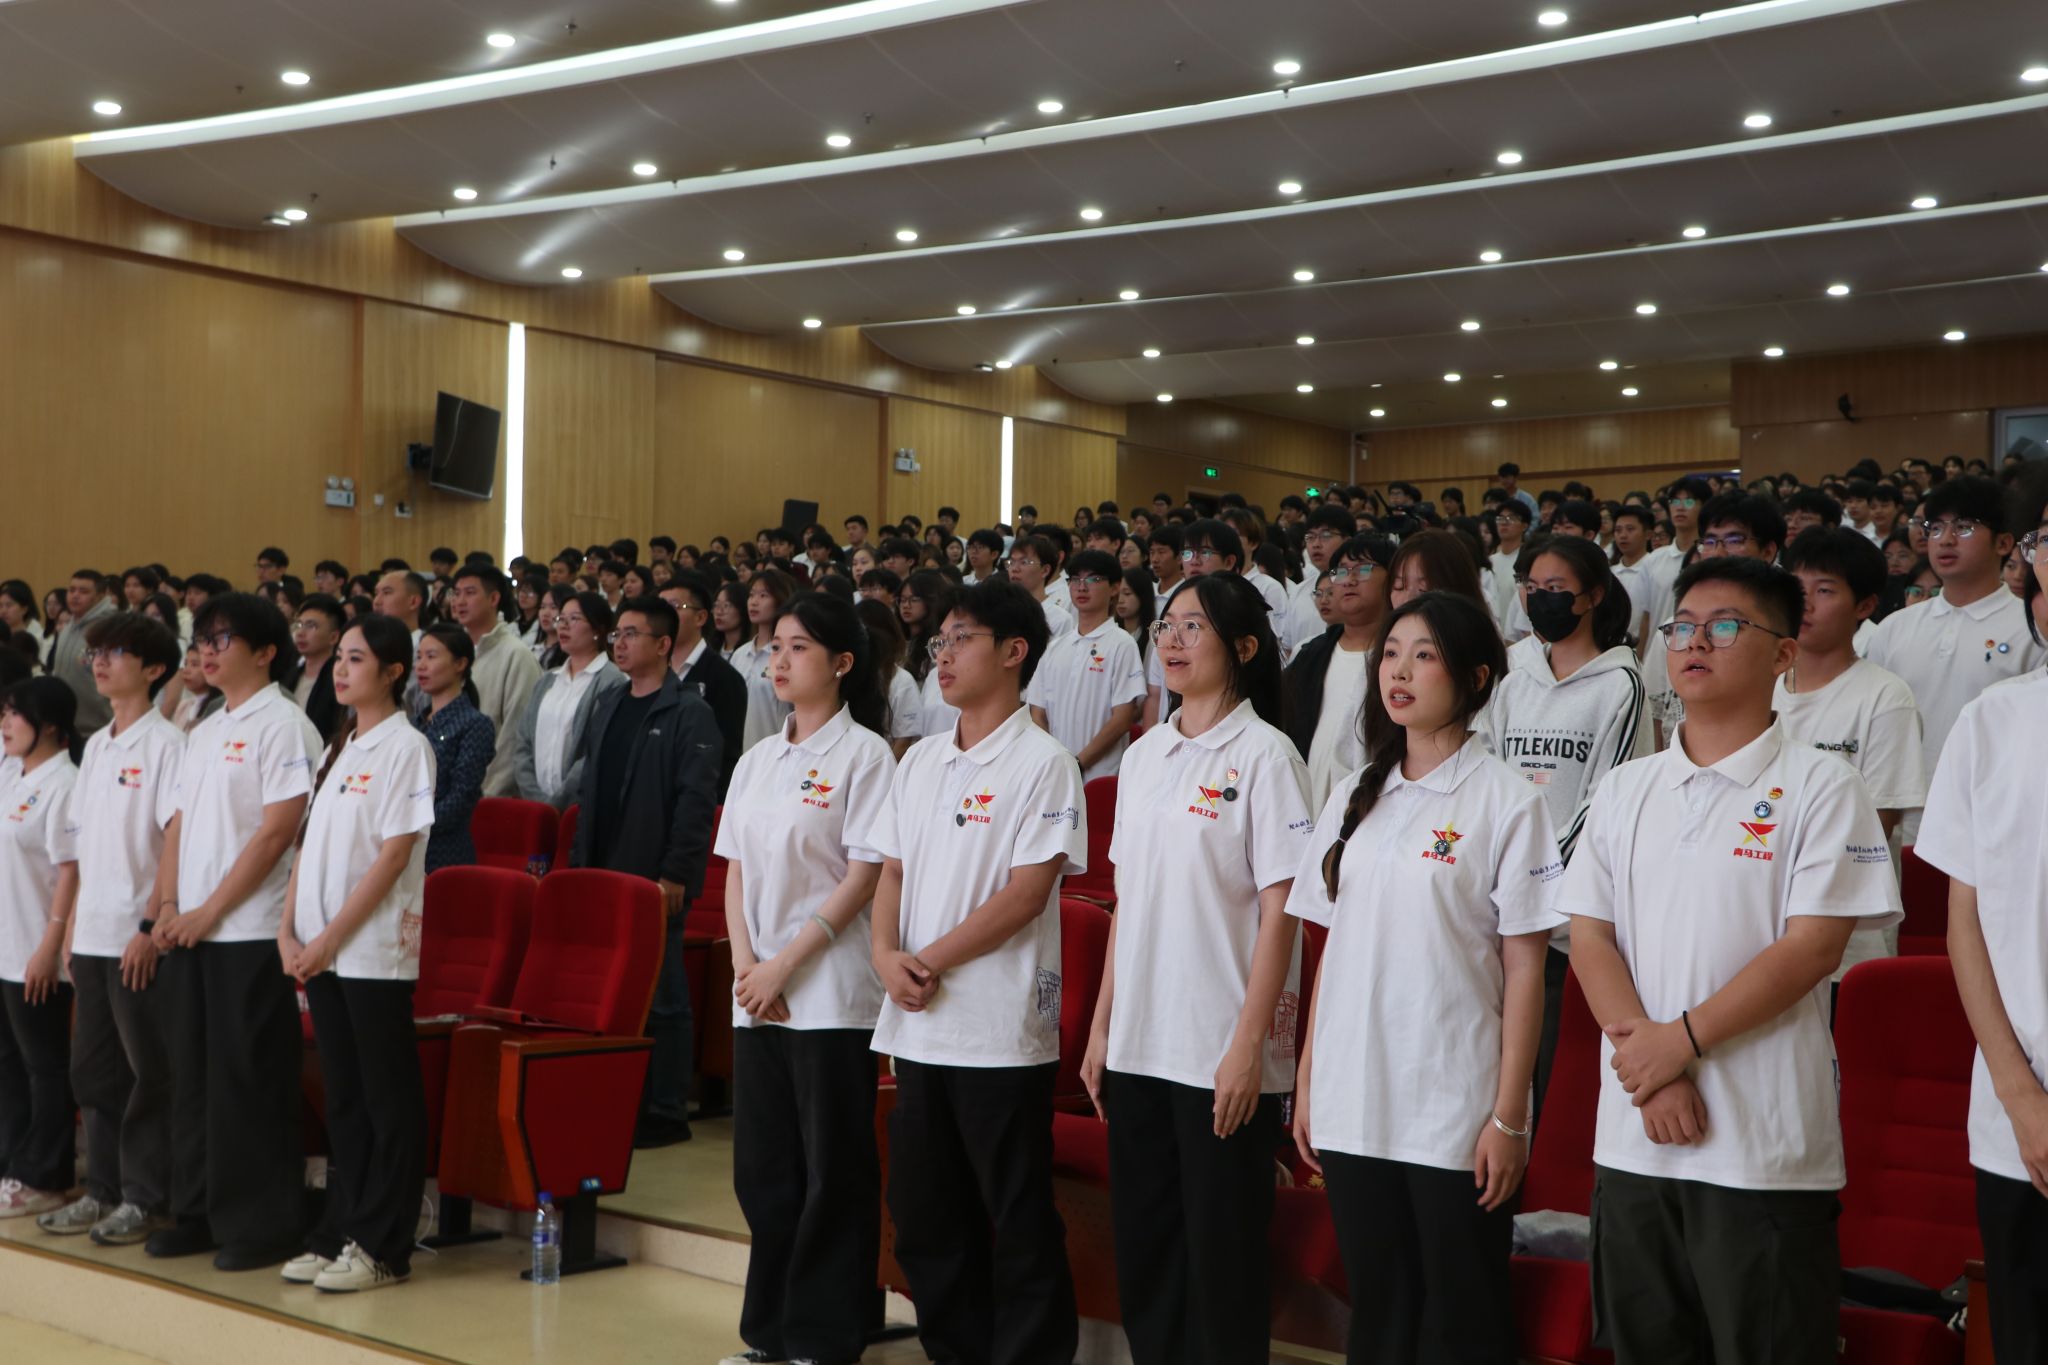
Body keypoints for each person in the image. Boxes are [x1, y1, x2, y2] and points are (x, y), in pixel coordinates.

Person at [1563, 557, 1902, 1363]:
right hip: (1635, 1138)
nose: (1694, 642)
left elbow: (1813, 946)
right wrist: (1653, 1067)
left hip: (1762, 1146)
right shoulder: (1624, 788)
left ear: (1783, 653)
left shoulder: (1823, 784)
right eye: (1681, 626)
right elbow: (1589, 935)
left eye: (1724, 626)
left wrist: (1678, 1042)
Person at [1289, 592, 1563, 1364]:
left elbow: (1525, 969)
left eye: (1424, 655)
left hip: (1453, 1107)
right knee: (1378, 1312)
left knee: (1461, 1319)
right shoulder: (1354, 793)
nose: (1399, 672)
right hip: (1356, 1099)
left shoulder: (1508, 801)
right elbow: (1332, 947)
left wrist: (1509, 1116)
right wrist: (1309, 1079)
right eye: (1391, 654)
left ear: (1475, 677)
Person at [1080, 574, 1311, 1363]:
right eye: (1166, 625)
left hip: (1219, 1049)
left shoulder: (1267, 755)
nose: (1172, 640)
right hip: (1140, 1042)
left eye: (1193, 627)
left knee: (1223, 1261)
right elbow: (1127, 900)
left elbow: (1283, 911)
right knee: (1148, 1252)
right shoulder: (1146, 754)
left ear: (1242, 647)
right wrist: (1102, 1027)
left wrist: (1250, 1045)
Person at [867, 578, 1085, 1365]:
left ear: (1014, 651)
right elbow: (891, 870)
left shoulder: (1044, 761)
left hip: (999, 1030)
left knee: (1016, 1217)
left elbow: (1026, 894)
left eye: (962, 639)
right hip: (918, 1025)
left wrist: (926, 958)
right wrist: (883, 954)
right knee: (924, 1213)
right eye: (939, 642)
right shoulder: (922, 758)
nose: (944, 655)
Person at [716, 594, 895, 1365]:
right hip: (757, 994)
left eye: (798, 647)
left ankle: (823, 1340)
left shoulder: (866, 756)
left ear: (842, 663)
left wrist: (783, 964)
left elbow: (863, 875)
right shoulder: (758, 758)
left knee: (833, 1173)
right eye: (776, 646)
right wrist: (744, 965)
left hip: (829, 995)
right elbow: (735, 870)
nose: (779, 660)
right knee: (764, 1172)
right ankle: (771, 1333)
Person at [149, 592, 324, 1270]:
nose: (207, 650)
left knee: (247, 1080)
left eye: (223, 638)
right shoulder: (203, 728)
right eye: (203, 639)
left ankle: (263, 1221)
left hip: (247, 932)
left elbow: (277, 832)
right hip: (191, 930)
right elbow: (178, 825)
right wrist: (169, 905)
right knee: (191, 1078)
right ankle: (197, 1211)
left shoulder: (284, 725)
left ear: (267, 651)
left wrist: (210, 910)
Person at [277, 615, 434, 1293]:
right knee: (343, 1099)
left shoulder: (407, 747)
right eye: (338, 657)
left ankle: (385, 1245)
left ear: (393, 671)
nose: (341, 670)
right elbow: (306, 845)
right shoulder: (335, 746)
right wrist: (287, 930)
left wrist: (329, 938)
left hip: (369, 952)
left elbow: (393, 855)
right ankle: (341, 1228)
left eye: (357, 659)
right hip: (320, 950)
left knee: (385, 1101)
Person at [36, 616, 182, 1243]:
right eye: (95, 652)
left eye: (115, 652)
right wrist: (70, 928)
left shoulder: (167, 745)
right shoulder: (95, 746)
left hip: (135, 934)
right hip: (92, 933)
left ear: (153, 668)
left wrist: (151, 925)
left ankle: (147, 1197)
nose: (98, 661)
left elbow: (174, 840)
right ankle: (103, 1190)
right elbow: (81, 849)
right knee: (93, 1071)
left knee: (146, 1071)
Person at [573, 597, 721, 1148]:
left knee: (664, 994)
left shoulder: (689, 711)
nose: (620, 642)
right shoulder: (609, 701)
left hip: (655, 876)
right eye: (617, 633)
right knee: (612, 989)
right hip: (602, 869)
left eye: (631, 634)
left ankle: (666, 1110)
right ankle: (621, 1098)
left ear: (662, 644)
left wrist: (676, 872)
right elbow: (590, 788)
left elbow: (695, 801)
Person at [1774, 527, 1926, 976]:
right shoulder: (1757, 683)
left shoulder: (1884, 696)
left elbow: (1877, 822)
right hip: (1759, 919)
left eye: (1824, 590)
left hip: (1847, 935)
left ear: (1864, 606)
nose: (1805, 603)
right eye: (1797, 587)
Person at [1866, 477, 2044, 838]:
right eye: (1935, 528)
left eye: (1964, 527)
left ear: (2003, 543)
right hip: (1901, 821)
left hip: (1991, 821)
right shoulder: (1893, 628)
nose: (1945, 540)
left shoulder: (2031, 629)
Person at [0, 677, 82, 1220]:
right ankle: (13, 1162)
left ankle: (47, 1176)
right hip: (6, 944)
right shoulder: (13, 775)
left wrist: (50, 946)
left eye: (16, 714)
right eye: (4, 712)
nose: (5, 723)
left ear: (49, 725)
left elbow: (71, 873)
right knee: (8, 1064)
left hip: (38, 948)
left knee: (45, 1066)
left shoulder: (65, 784)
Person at [1285, 534, 1395, 807]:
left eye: (1363, 569)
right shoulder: (1310, 655)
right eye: (1341, 571)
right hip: (1305, 802)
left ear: (1394, 579)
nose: (1349, 580)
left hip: (1373, 803)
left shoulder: (1399, 659)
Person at [1024, 550, 1145, 781]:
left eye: (1093, 579)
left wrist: (1078, 763)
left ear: (1114, 588)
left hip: (1101, 776)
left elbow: (1122, 718)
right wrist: (1056, 762)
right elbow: (1038, 712)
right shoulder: (1055, 647)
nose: (1081, 587)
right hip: (1056, 774)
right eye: (1075, 579)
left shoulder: (1122, 643)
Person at [507, 591, 618, 812]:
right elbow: (523, 743)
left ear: (598, 629)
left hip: (579, 809)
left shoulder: (612, 681)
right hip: (535, 807)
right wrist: (536, 799)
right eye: (561, 618)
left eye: (574, 618)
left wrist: (556, 803)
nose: (563, 625)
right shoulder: (548, 679)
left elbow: (594, 753)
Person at [443, 566, 538, 798]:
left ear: (494, 598)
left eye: (470, 593)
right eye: (456, 593)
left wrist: (486, 794)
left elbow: (515, 736)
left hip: (489, 795)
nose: (459, 601)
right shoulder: (450, 652)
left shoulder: (516, 655)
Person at [411, 624, 494, 873]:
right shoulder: (416, 723)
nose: (421, 665)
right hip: (407, 845)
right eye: (419, 657)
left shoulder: (475, 724)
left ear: (460, 664)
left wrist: (413, 826)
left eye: (431, 656)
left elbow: (461, 797)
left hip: (443, 853)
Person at [659, 571, 747, 796]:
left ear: (700, 617)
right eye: (659, 608)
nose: (663, 616)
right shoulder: (651, 669)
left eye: (674, 606)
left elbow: (725, 755)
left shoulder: (725, 677)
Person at [733, 568, 798, 754]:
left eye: (763, 595)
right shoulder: (739, 654)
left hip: (779, 752)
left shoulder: (788, 655)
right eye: (751, 595)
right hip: (743, 755)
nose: (754, 601)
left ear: (780, 600)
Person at [52, 569, 119, 737]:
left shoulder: (109, 628)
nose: (75, 596)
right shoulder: (68, 626)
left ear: (100, 595)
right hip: (65, 724)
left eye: (83, 591)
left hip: (98, 727)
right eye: (72, 590)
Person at [289, 594, 347, 743]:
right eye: (299, 625)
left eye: (311, 626)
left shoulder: (340, 680)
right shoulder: (289, 676)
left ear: (334, 637)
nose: (300, 633)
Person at [1007, 534, 1074, 641]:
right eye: (1011, 562)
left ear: (1045, 570)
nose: (1014, 569)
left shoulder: (1059, 619)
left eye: (1024, 562)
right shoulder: (1002, 611)